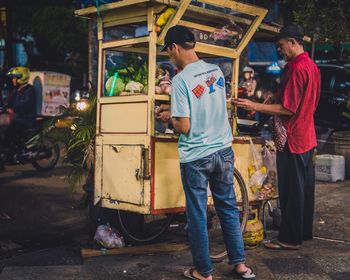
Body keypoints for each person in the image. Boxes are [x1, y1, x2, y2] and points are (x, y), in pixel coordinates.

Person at [160, 25, 255, 280]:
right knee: (227, 209)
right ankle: (240, 266)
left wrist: (169, 119)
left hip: (197, 156)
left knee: (198, 215)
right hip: (223, 151)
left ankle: (203, 272)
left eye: (169, 52)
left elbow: (184, 125)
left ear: (175, 48)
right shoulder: (216, 71)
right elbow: (208, 106)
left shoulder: (180, 80)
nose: (170, 57)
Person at [233, 24, 321, 250]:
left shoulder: (297, 68)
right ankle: (301, 232)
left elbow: (288, 109)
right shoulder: (311, 66)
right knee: (303, 189)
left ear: (293, 42)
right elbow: (297, 101)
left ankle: (289, 239)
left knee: (292, 191)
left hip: (293, 137)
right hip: (307, 135)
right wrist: (269, 100)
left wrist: (254, 104)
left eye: (281, 46)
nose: (279, 50)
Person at [4, 66, 37, 146]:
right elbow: (9, 101)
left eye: (14, 78)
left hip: (26, 118)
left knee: (8, 131)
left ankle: (16, 150)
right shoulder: (17, 89)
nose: (13, 80)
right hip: (18, 116)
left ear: (21, 78)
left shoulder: (29, 90)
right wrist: (5, 105)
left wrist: (13, 110)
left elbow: (24, 105)